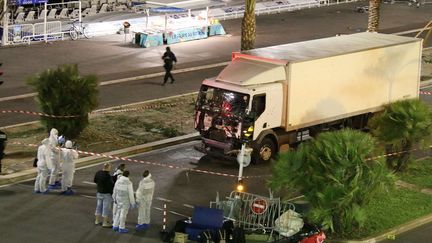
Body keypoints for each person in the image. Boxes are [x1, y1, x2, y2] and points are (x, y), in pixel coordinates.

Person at [94, 163, 115, 228]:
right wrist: (112, 193)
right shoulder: (107, 176)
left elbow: (95, 180)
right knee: (106, 208)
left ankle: (97, 220)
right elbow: (110, 186)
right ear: (108, 168)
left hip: (99, 192)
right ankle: (105, 222)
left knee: (99, 206)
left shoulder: (98, 173)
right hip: (106, 194)